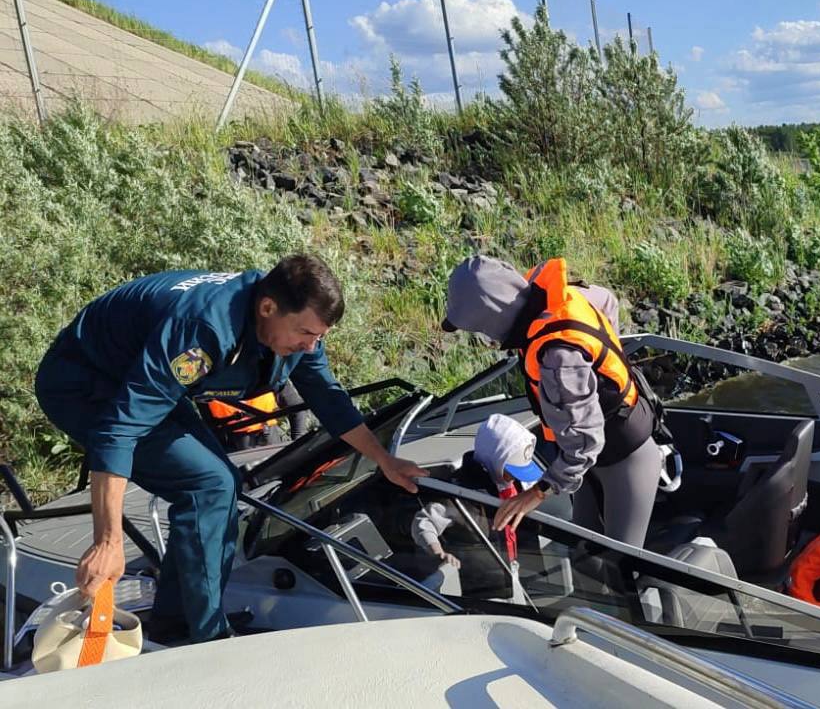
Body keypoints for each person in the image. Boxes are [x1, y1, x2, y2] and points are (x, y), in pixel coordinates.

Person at [34, 255, 428, 643]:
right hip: (85, 383)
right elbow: (118, 431)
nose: (311, 347)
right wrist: (108, 542)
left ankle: (176, 621)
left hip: (144, 380)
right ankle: (207, 638)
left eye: (319, 338)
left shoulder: (295, 328)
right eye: (306, 334)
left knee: (222, 484)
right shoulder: (203, 328)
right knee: (209, 485)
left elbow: (328, 398)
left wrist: (384, 461)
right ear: (268, 307)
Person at [440, 255, 662, 548]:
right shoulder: (554, 298)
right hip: (586, 461)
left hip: (624, 458)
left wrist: (537, 493)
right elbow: (607, 300)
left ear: (492, 318)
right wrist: (602, 363)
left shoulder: (559, 358)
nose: (483, 336)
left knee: (618, 566)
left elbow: (585, 440)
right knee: (582, 550)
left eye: (480, 328)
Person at [411, 413, 567, 595]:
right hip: (489, 588)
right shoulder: (461, 494)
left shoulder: (516, 485)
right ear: (494, 459)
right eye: (511, 470)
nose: (516, 477)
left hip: (526, 577)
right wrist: (438, 553)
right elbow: (423, 522)